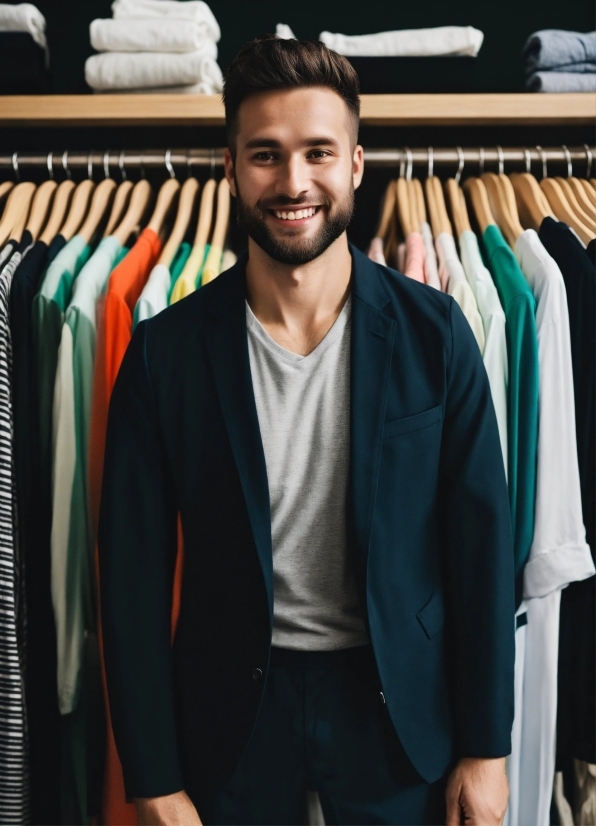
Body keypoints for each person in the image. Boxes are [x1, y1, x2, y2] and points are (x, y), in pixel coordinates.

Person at [99, 34, 515, 826]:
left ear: (356, 164)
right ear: (230, 167)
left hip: (396, 707)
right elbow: (131, 583)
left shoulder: (439, 334)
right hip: (229, 717)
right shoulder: (165, 354)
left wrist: (486, 747)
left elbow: (482, 552)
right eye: (266, 154)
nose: (294, 181)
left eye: (319, 152)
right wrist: (151, 778)